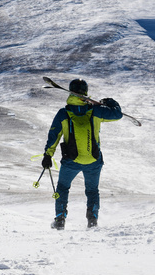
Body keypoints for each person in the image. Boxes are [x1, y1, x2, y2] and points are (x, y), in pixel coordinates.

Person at [42, 79, 122, 229]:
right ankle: (92, 220)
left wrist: (48, 155)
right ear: (86, 92)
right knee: (92, 191)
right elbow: (117, 114)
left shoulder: (63, 113)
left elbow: (54, 135)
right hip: (93, 161)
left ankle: (60, 219)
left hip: (71, 161)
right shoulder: (96, 111)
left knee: (63, 188)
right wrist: (109, 102)